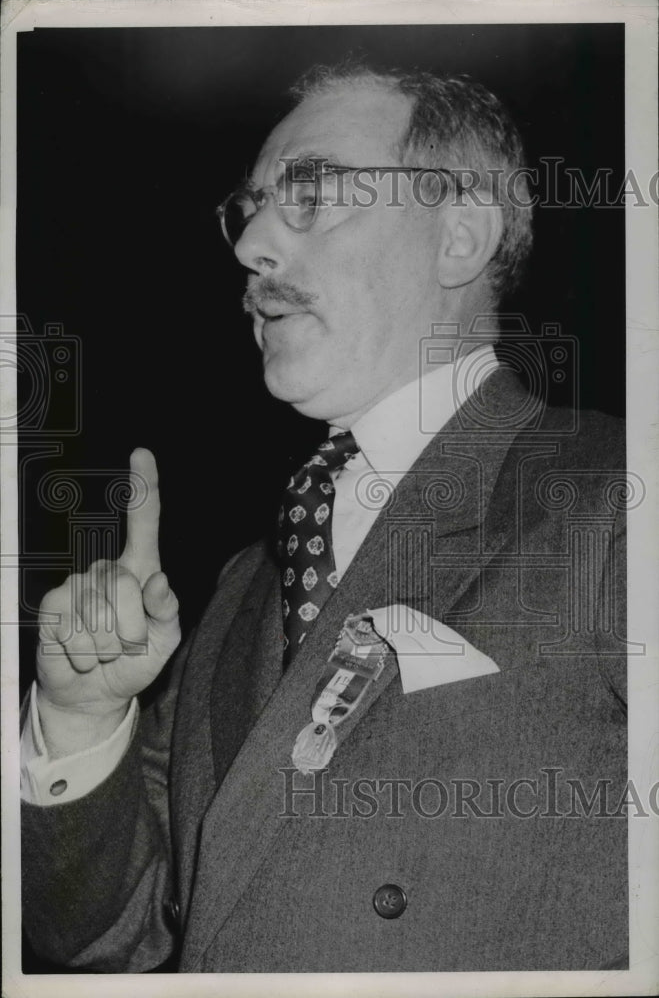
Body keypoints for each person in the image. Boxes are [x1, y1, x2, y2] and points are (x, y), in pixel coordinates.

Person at [21, 64, 628, 973]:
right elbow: (115, 942)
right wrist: (80, 721)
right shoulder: (240, 588)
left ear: (458, 236)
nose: (252, 245)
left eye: (308, 193)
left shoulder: (618, 489)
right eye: (249, 209)